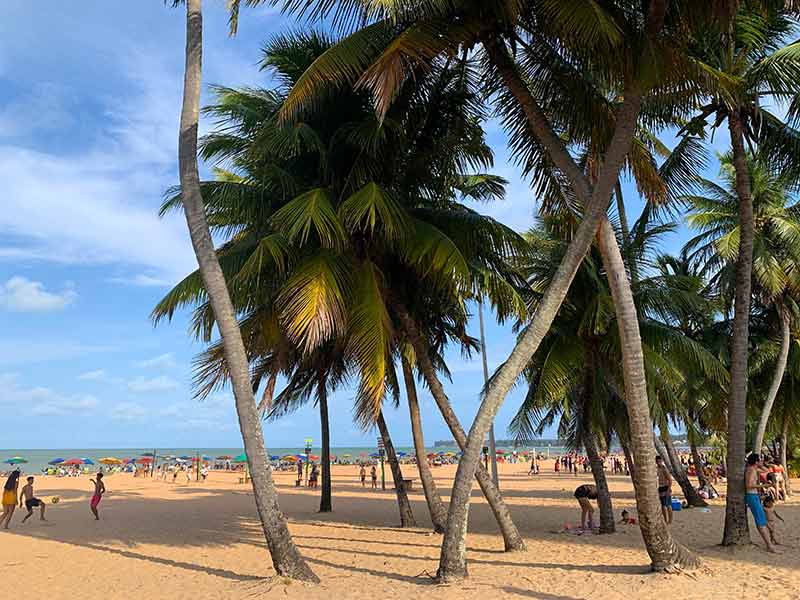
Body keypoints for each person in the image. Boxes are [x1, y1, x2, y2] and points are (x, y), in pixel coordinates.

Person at [745, 453, 779, 553]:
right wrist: (763, 485)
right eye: (760, 460)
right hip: (752, 496)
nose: (762, 461)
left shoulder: (754, 469)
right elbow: (749, 485)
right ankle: (769, 545)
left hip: (755, 496)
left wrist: (763, 464)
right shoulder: (751, 470)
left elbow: (766, 471)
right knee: (760, 522)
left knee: (762, 520)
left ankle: (771, 542)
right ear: (756, 461)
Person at [656, 455, 673, 525]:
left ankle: (670, 521)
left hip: (666, 487)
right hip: (660, 488)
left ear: (662, 461)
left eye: (660, 461)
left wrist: (668, 490)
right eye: (657, 462)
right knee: (663, 505)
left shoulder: (664, 469)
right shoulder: (657, 469)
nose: (659, 463)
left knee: (668, 505)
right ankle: (665, 520)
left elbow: (670, 480)